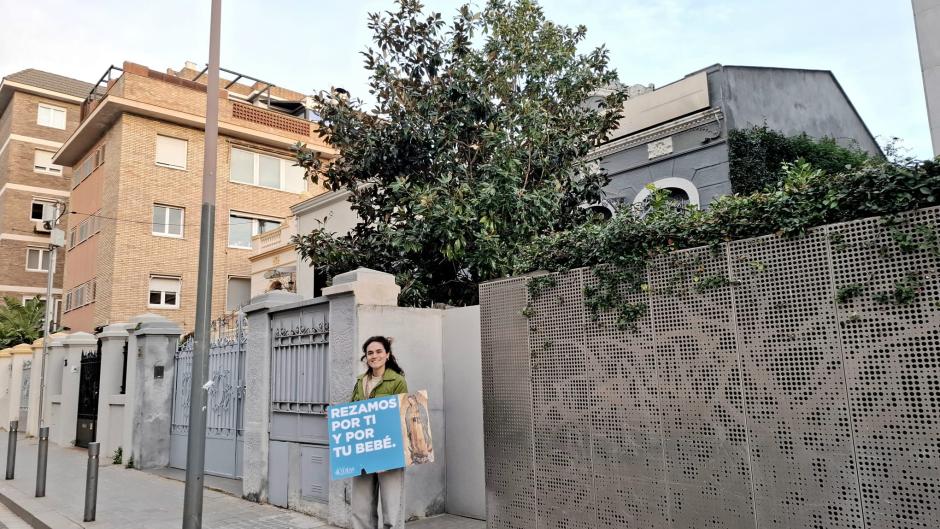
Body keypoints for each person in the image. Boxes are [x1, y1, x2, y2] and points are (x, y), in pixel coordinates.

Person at [350, 336, 408, 529]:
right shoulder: (360, 382)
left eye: (378, 351)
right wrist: (336, 416)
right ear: (365, 358)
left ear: (387, 354)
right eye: (370, 353)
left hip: (388, 451)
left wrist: (386, 456)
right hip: (363, 451)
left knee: (391, 508)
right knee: (361, 507)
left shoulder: (397, 381)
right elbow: (353, 411)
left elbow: (402, 416)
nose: (374, 356)